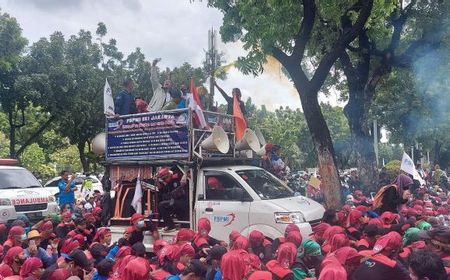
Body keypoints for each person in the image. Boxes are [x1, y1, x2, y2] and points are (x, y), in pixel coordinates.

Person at [157, 168, 189, 232]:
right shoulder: (168, 182)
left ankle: (170, 226)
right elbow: (164, 193)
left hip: (183, 202)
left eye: (165, 178)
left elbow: (177, 193)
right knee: (162, 203)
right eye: (163, 179)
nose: (164, 180)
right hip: (176, 202)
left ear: (169, 174)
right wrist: (160, 187)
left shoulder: (179, 177)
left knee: (162, 205)